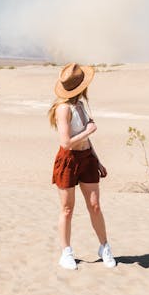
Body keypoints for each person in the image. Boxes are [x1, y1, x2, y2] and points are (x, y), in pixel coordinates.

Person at [48, 62, 116, 270]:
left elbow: (85, 141)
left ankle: (104, 247)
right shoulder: (63, 109)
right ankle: (66, 252)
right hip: (68, 160)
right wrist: (90, 130)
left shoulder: (80, 106)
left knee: (95, 206)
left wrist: (97, 159)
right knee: (67, 209)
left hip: (87, 159)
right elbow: (66, 142)